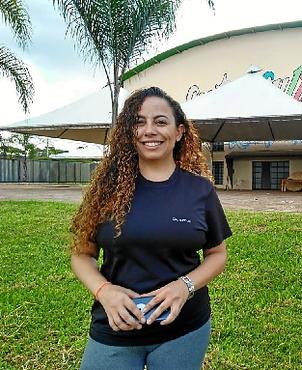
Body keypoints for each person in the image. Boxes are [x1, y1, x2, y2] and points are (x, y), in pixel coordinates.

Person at [70, 86, 232, 370]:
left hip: (184, 328)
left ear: (179, 132)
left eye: (160, 121)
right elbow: (82, 255)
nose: (149, 130)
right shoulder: (107, 190)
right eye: (139, 122)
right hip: (115, 327)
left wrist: (185, 286)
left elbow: (217, 255)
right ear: (129, 132)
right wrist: (104, 291)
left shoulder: (200, 191)